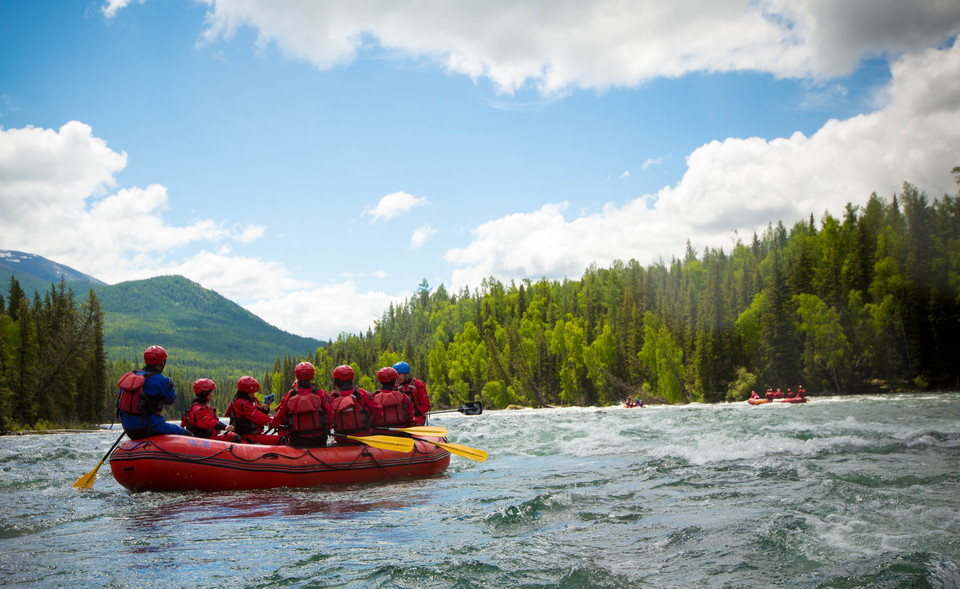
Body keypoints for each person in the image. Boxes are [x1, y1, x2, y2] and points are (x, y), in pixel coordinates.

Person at [117, 345, 190, 440]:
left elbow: (120, 403)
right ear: (162, 362)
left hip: (129, 429)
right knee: (187, 434)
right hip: (150, 427)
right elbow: (170, 400)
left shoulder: (132, 377)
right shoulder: (163, 381)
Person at [269, 361, 332, 448]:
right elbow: (330, 413)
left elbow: (280, 415)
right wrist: (328, 428)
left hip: (297, 439)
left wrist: (271, 424)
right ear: (312, 376)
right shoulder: (321, 393)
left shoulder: (290, 395)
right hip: (318, 439)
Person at [329, 365, 383, 442]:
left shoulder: (332, 396)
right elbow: (378, 411)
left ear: (336, 380)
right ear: (352, 378)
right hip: (363, 437)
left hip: (340, 438)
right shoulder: (362, 393)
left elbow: (328, 417)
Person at [225, 376, 279, 444]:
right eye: (251, 392)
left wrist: (265, 409)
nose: (253, 394)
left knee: (279, 438)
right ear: (244, 392)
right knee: (281, 439)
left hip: (254, 435)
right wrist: (273, 422)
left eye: (254, 392)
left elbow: (259, 414)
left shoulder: (253, 399)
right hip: (247, 436)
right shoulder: (242, 403)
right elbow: (258, 417)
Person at [393, 361, 431, 426]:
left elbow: (426, 406)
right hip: (402, 420)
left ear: (406, 374)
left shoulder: (418, 384)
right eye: (396, 375)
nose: (397, 377)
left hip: (417, 418)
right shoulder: (394, 387)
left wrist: (412, 414)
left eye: (399, 374)